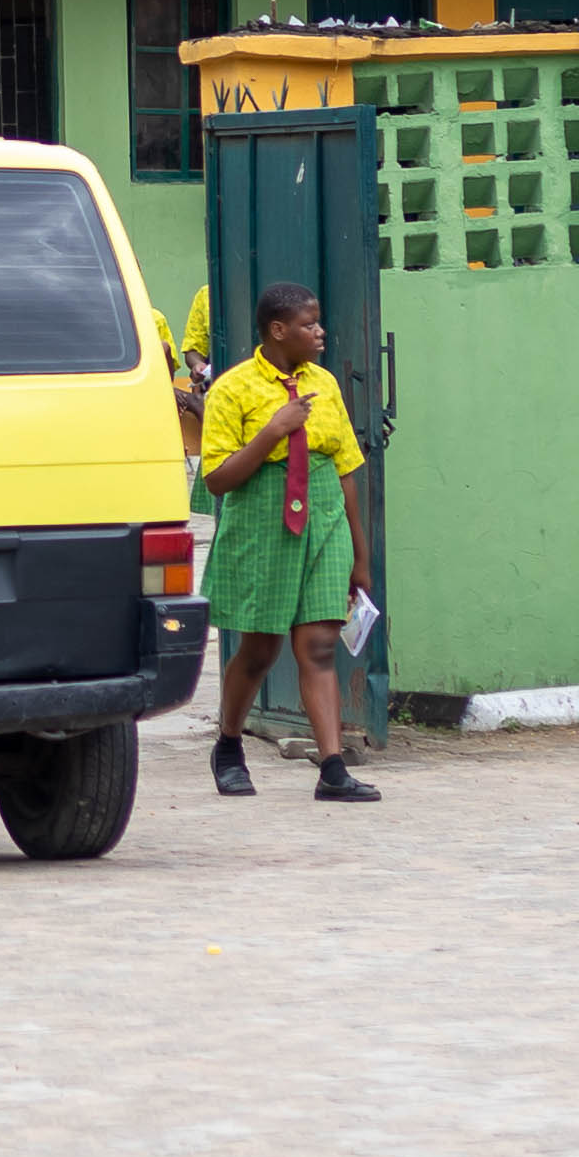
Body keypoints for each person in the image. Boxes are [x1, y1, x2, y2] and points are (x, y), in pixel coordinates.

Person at [192, 280, 383, 805]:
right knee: (259, 648)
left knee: (319, 644)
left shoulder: (323, 384)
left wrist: (360, 556)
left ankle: (332, 768)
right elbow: (218, 480)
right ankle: (228, 745)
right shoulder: (232, 390)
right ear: (278, 330)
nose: (320, 332)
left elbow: (345, 470)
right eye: (309, 324)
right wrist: (273, 430)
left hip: (323, 518)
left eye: (318, 322)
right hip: (263, 522)